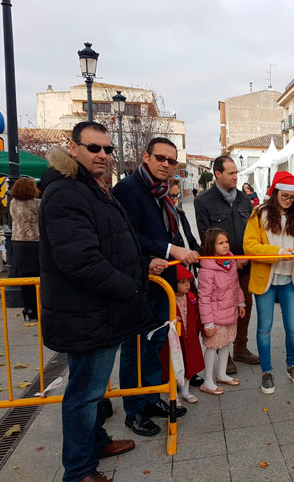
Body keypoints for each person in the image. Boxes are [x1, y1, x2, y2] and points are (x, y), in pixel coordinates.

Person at [39, 122, 165, 482]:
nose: (103, 156)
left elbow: (115, 244)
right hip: (87, 313)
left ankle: (95, 443)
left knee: (91, 391)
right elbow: (81, 261)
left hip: (100, 312)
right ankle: (79, 471)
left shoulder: (92, 189)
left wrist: (143, 265)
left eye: (108, 150)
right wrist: (130, 287)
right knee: (84, 394)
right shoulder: (66, 193)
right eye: (94, 148)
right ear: (73, 148)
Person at [113, 137, 197, 437]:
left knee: (156, 343)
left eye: (171, 161)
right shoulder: (128, 189)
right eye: (160, 158)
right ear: (146, 156)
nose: (166, 164)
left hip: (163, 283)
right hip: (137, 283)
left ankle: (151, 399)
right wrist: (168, 250)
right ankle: (133, 411)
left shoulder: (161, 192)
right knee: (135, 348)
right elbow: (125, 237)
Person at [243, 171, 294, 394]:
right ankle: (266, 371)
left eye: (293, 197)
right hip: (266, 280)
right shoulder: (259, 214)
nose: (289, 200)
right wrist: (278, 253)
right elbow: (249, 247)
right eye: (285, 196)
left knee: (293, 328)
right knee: (264, 328)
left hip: (290, 280)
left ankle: (291, 365)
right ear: (275, 192)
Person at [195, 156, 259, 373]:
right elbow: (207, 239)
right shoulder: (203, 201)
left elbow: (252, 232)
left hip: (245, 265)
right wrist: (229, 260)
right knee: (220, 310)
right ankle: (225, 353)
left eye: (236, 172)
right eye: (231, 173)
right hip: (220, 270)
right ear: (218, 174)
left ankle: (240, 347)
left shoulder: (244, 199)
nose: (235, 176)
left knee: (244, 308)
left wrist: (247, 256)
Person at [198, 228, 246, 394]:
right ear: (211, 246)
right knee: (212, 347)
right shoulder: (207, 270)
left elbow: (236, 285)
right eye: (220, 243)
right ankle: (207, 381)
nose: (225, 246)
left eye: (226, 242)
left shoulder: (230, 262)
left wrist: (241, 303)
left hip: (230, 312)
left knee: (226, 343)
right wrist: (208, 323)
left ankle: (221, 374)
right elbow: (203, 298)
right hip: (215, 316)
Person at [170, 264, 204, 404]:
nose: (187, 285)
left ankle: (186, 391)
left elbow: (197, 316)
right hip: (175, 339)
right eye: (182, 282)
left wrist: (201, 329)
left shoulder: (191, 297)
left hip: (190, 336)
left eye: (188, 282)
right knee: (174, 364)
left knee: (188, 363)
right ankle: (174, 395)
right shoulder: (169, 297)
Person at [9, 177, 40, 321]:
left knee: (24, 278)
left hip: (17, 241)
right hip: (33, 241)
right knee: (36, 278)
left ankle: (28, 307)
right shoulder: (36, 204)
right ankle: (37, 308)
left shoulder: (13, 203)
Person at [169, 178, 199, 251]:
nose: (175, 199)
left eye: (177, 195)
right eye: (172, 196)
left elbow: (190, 237)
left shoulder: (180, 213)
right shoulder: (158, 218)